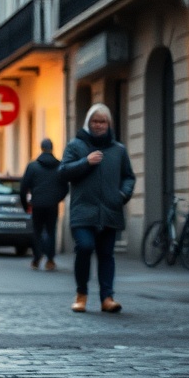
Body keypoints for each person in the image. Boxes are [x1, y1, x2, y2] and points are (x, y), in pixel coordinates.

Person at [59, 103, 136, 314]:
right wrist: (86, 162)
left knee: (106, 254)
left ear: (108, 123)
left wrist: (121, 196)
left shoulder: (118, 150)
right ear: (88, 123)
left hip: (110, 211)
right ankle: (81, 294)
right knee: (84, 247)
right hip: (82, 211)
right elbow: (63, 171)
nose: (99, 125)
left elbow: (128, 177)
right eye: (95, 121)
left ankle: (107, 298)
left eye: (103, 121)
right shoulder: (76, 146)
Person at [19, 138, 68, 271]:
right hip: (52, 204)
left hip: (37, 204)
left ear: (41, 148)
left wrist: (25, 204)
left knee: (37, 231)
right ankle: (50, 260)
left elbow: (23, 187)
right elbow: (65, 187)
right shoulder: (59, 165)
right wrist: (57, 198)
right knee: (51, 230)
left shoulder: (33, 166)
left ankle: (36, 258)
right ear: (52, 148)